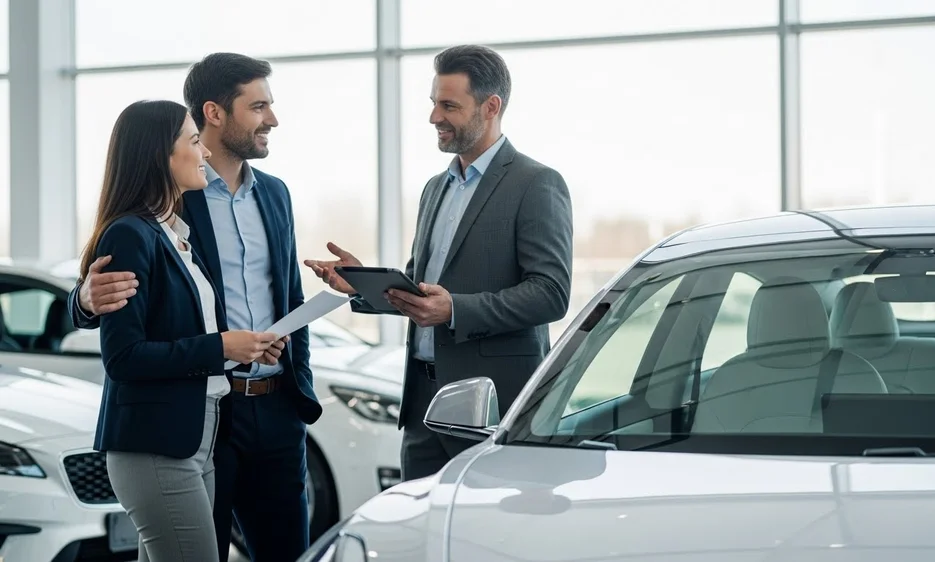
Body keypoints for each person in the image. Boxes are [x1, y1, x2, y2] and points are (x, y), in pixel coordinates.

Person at [68, 53, 321, 562]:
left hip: (274, 406)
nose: (272, 119)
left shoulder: (275, 194)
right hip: (202, 411)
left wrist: (300, 382)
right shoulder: (171, 202)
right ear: (214, 113)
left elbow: (287, 294)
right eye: (259, 106)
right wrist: (84, 301)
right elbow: (115, 294)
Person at [305, 44, 573, 481]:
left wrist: (456, 310)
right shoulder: (436, 188)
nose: (434, 117)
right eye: (433, 103)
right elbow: (422, 292)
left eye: (449, 105)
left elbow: (551, 293)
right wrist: (363, 284)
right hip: (422, 403)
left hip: (489, 405)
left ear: (491, 107)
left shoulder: (537, 184)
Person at [85, 99, 279, 562]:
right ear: (160, 156)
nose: (206, 153)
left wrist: (244, 348)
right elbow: (124, 357)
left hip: (197, 437)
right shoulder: (130, 235)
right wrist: (220, 347)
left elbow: (183, 332)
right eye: (194, 142)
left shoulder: (171, 231)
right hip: (156, 443)